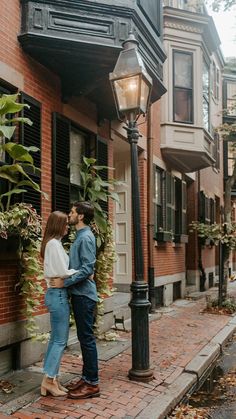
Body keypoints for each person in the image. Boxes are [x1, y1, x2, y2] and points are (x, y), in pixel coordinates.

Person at [50, 201, 99, 399]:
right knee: (83, 338)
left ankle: (93, 384)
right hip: (80, 295)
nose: (69, 215)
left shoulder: (85, 238)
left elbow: (88, 268)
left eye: (71, 212)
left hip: (84, 296)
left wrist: (65, 283)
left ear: (80, 216)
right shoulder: (80, 236)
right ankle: (87, 378)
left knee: (87, 339)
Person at [40, 211, 79, 397]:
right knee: (59, 341)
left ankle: (50, 379)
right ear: (58, 225)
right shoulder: (54, 244)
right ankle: (49, 381)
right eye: (65, 224)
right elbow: (62, 272)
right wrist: (80, 272)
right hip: (58, 295)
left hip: (56, 294)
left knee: (56, 339)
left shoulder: (52, 244)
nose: (67, 227)